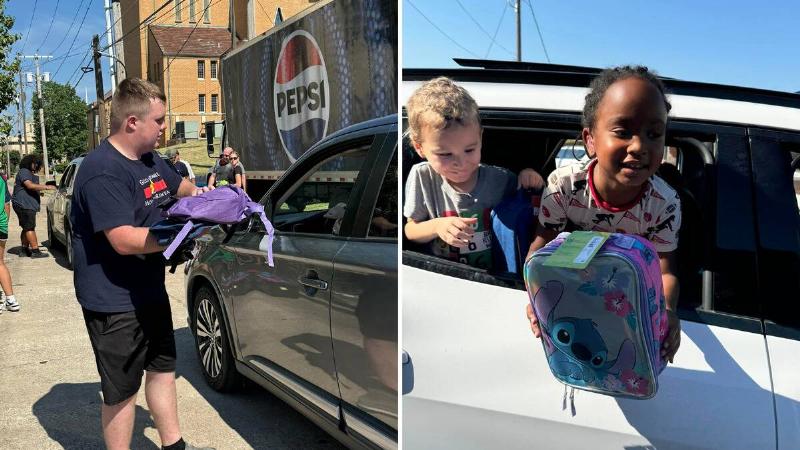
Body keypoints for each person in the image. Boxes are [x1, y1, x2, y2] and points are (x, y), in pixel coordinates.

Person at [70, 78, 213, 450]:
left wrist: (208, 198)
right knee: (121, 392)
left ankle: (174, 445)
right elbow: (123, 239)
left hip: (149, 290)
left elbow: (178, 187)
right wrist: (182, 234)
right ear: (132, 122)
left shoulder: (149, 158)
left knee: (163, 369)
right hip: (114, 301)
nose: (165, 127)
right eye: (160, 121)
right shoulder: (102, 170)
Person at [525, 65, 682, 363]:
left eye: (654, 134)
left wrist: (668, 312)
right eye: (623, 132)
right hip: (571, 300)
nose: (639, 146)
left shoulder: (664, 203)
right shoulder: (565, 186)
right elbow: (541, 246)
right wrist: (536, 297)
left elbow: (665, 271)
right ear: (590, 139)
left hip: (626, 309)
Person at [403, 77, 544, 269]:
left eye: (469, 150)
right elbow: (411, 229)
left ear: (481, 138)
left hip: (492, 278)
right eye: (445, 154)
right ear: (419, 148)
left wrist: (528, 175)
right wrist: (437, 226)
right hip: (442, 278)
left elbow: (529, 207)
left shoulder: (502, 179)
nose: (460, 163)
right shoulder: (423, 177)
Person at [12, 154, 56, 258]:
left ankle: (24, 249)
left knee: (26, 227)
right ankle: (35, 251)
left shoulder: (29, 173)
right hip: (24, 204)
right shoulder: (24, 171)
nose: (37, 165)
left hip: (27, 204)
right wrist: (47, 187)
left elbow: (32, 187)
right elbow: (29, 185)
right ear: (29, 163)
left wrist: (39, 191)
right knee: (29, 228)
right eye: (35, 163)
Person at [0, 172, 18, 313]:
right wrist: (4, 224)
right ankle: (11, 300)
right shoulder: (1, 178)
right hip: (1, 226)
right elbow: (7, 204)